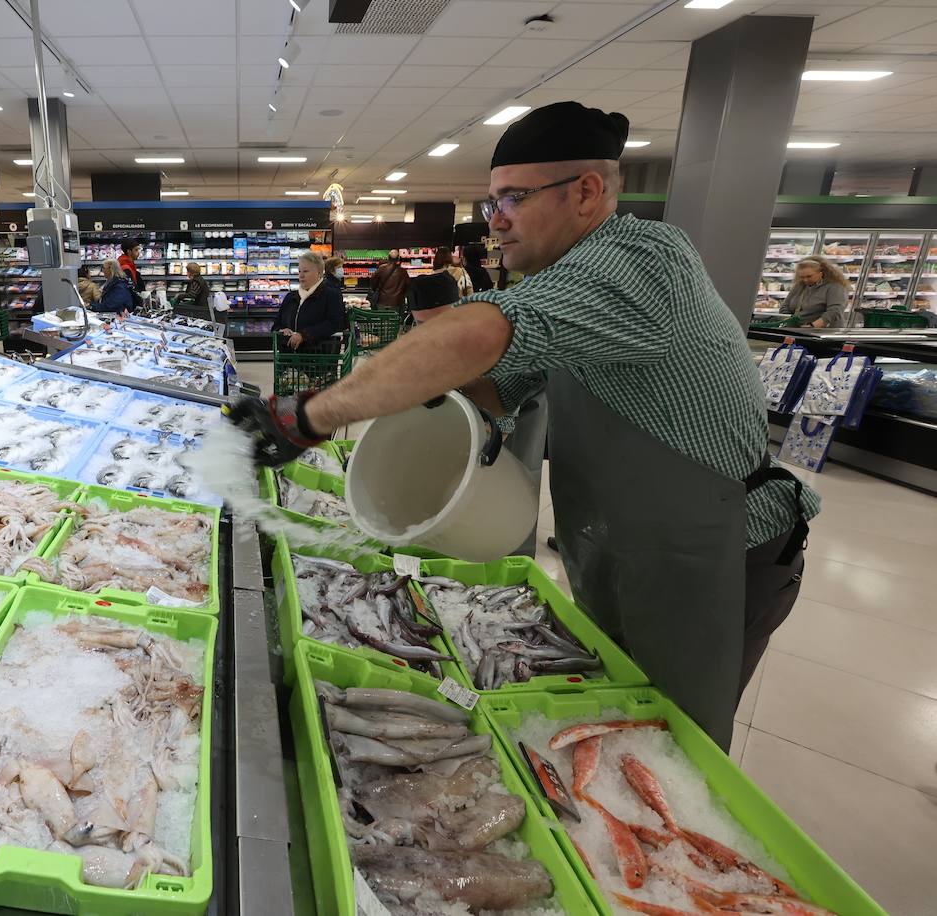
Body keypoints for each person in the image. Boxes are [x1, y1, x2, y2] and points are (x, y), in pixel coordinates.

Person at [229, 101, 820, 751]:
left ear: (586, 192)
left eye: (515, 197)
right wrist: (404, 391)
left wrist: (311, 416)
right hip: (624, 550)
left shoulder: (644, 261)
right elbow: (488, 384)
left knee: (671, 744)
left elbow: (480, 332)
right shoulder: (568, 286)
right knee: (613, 716)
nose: (497, 219)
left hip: (715, 555)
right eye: (492, 201)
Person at [272, 251, 345, 352]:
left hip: (318, 356)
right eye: (299, 271)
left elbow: (334, 324)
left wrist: (304, 335)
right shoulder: (291, 297)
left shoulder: (331, 295)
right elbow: (276, 325)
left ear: (319, 273)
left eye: (306, 271)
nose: (301, 275)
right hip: (290, 357)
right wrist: (282, 330)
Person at [780, 256, 848, 328]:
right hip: (797, 330)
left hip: (823, 331)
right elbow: (785, 306)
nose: (805, 280)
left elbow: (835, 311)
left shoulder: (835, 287)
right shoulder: (800, 286)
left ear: (820, 274)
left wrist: (812, 326)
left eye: (809, 276)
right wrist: (787, 320)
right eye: (802, 277)